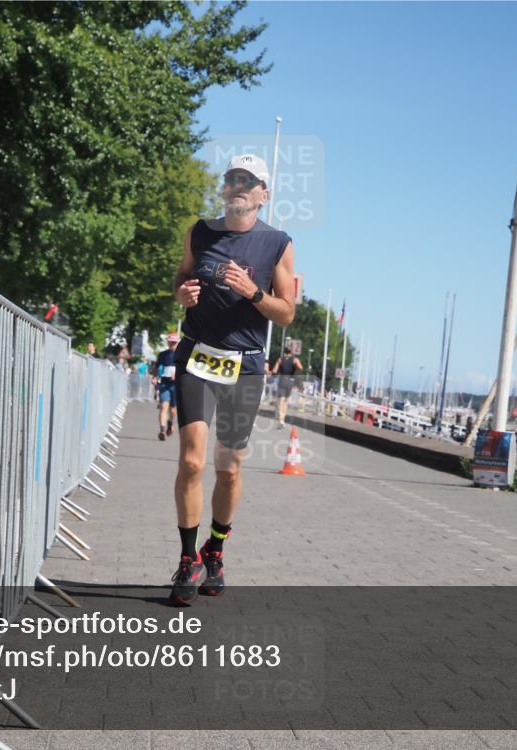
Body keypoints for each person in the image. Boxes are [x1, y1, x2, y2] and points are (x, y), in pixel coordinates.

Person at [168, 154, 296, 605]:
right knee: (192, 462)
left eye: (249, 180)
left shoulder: (277, 243)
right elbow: (181, 276)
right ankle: (188, 558)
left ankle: (216, 550)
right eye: (232, 178)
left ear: (264, 194)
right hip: (197, 357)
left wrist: (254, 293)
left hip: (244, 366)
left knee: (229, 469)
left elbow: (286, 312)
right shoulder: (200, 232)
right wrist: (181, 292)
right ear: (224, 188)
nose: (239, 185)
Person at [153, 332, 180, 440]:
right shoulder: (163, 354)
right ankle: (162, 430)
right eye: (170, 342)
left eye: (174, 342)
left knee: (173, 409)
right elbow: (156, 367)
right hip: (165, 384)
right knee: (164, 406)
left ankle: (170, 423)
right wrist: (154, 377)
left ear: (178, 343)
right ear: (168, 342)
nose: (172, 344)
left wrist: (178, 374)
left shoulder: (183, 354)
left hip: (176, 385)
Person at [271, 351, 303, 428]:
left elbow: (274, 370)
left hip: (282, 380)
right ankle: (282, 419)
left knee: (281, 400)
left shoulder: (280, 359)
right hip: (290, 381)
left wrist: (275, 373)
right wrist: (296, 372)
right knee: (285, 401)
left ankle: (281, 420)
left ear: (285, 352)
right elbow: (300, 368)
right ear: (291, 352)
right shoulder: (295, 359)